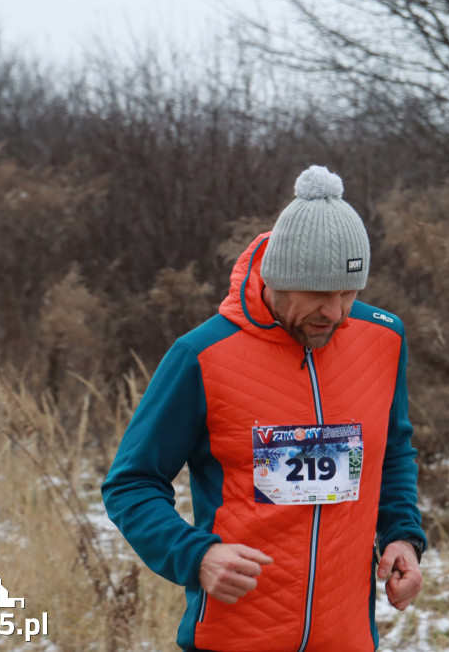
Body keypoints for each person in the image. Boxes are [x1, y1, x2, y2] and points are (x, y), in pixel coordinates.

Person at [102, 165, 426, 652]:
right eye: (319, 295)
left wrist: (402, 535)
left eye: (348, 293)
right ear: (279, 280)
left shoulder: (383, 339)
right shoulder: (203, 355)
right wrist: (196, 556)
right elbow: (131, 483)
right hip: (235, 637)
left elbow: (391, 450)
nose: (336, 314)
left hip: (347, 636)